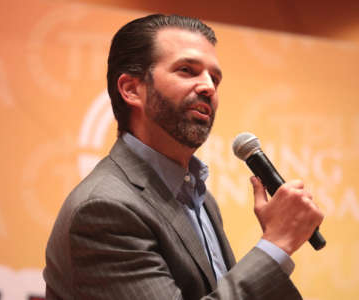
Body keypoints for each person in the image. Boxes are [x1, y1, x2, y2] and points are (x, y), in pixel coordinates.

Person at [43, 14, 324, 300]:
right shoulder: (104, 208)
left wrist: (276, 245)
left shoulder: (199, 199)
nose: (209, 87)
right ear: (131, 89)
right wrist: (276, 244)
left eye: (214, 78)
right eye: (187, 70)